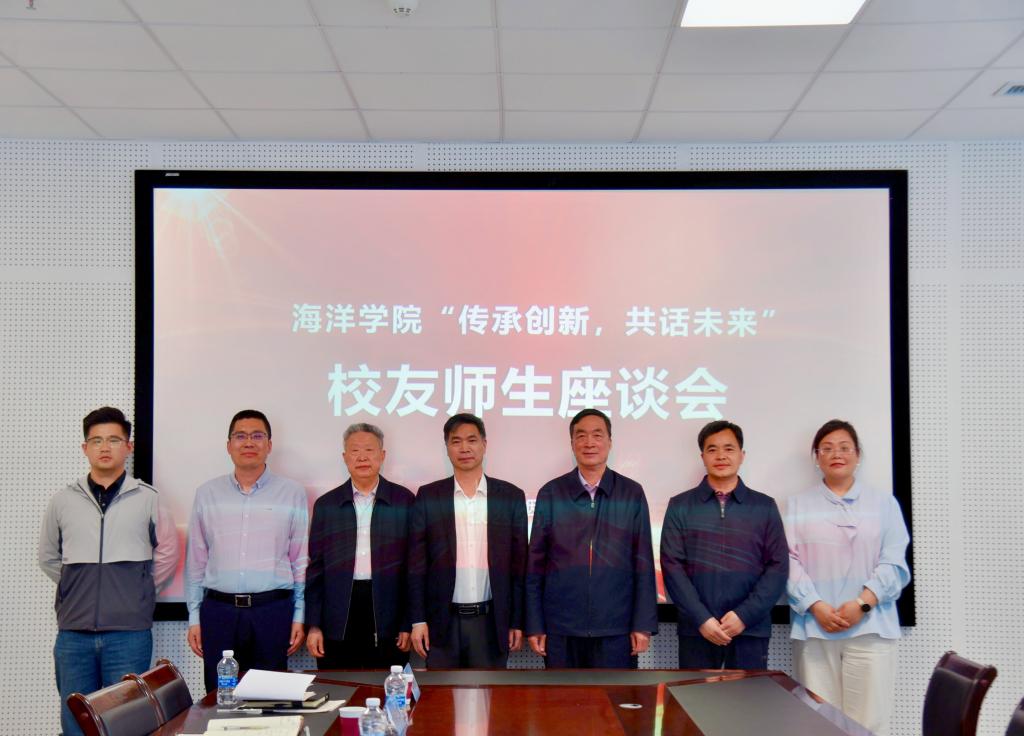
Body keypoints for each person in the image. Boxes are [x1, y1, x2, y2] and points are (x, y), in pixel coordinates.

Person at [39, 407, 179, 736]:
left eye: (114, 440)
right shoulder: (63, 501)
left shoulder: (148, 498)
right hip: (73, 635)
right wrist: (77, 588)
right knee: (76, 723)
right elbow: (48, 557)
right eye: (97, 440)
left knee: (127, 722)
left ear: (128, 447)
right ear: (85, 447)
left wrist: (136, 588)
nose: (105, 447)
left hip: (128, 635)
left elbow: (168, 554)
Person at [784, 419, 910, 736]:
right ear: (816, 457)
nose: (836, 454)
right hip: (816, 626)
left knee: (868, 724)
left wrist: (862, 604)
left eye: (844, 447)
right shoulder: (798, 505)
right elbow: (787, 561)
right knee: (817, 722)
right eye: (826, 448)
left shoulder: (884, 503)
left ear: (857, 454)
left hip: (871, 627)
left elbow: (894, 561)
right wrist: (816, 605)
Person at [185, 409, 308, 693]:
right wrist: (194, 617)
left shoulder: (291, 493)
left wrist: (299, 614)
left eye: (257, 436)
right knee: (220, 699)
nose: (249, 442)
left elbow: (300, 558)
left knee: (271, 698)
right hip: (219, 612)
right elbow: (196, 560)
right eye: (240, 436)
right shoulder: (207, 493)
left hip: (272, 611)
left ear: (269, 445)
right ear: (229, 445)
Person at [526, 408, 658, 668]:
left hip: (616, 628)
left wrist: (642, 624)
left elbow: (642, 561)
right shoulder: (552, 493)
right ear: (572, 443)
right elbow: (535, 565)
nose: (589, 443)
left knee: (616, 695)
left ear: (610, 441)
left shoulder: (631, 493)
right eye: (581, 436)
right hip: (561, 629)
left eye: (597, 435)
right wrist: (534, 623)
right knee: (562, 692)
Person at [660, 420, 788, 670]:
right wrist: (702, 618)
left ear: (742, 455)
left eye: (729, 449)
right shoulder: (681, 506)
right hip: (697, 630)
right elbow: (672, 566)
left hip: (749, 629)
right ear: (702, 457)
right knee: (694, 695)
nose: (721, 456)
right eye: (712, 449)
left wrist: (744, 616)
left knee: (745, 696)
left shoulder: (764, 506)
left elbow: (778, 566)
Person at [408, 413, 529, 668]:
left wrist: (516, 621)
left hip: (492, 623)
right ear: (447, 448)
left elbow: (519, 568)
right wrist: (418, 620)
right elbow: (416, 565)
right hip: (442, 624)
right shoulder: (429, 496)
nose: (464, 448)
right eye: (456, 441)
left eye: (472, 440)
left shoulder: (510, 497)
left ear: (484, 444)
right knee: (440, 694)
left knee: (490, 694)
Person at [305, 423, 414, 669]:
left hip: (389, 615)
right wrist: (314, 625)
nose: (362, 457)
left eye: (369, 450)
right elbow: (316, 570)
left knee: (388, 687)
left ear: (382, 455)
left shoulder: (404, 501)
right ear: (345, 457)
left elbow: (413, 568)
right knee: (338, 687)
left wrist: (408, 622)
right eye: (355, 451)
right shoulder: (327, 505)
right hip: (337, 615)